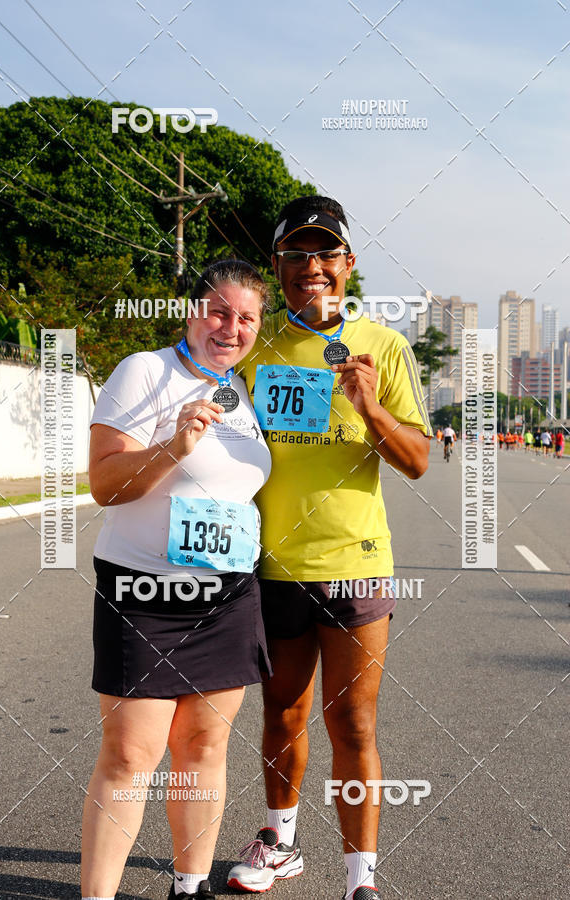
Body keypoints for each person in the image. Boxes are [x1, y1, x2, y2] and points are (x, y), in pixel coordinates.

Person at [227, 196, 431, 900]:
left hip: (356, 563)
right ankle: (280, 842)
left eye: (325, 255)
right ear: (277, 266)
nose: (311, 268)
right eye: (295, 255)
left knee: (352, 720)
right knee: (281, 710)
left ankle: (360, 883)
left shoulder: (385, 347)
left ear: (348, 265)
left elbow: (417, 462)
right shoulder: (254, 347)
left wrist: (370, 407)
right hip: (273, 567)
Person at [81, 260, 272, 900]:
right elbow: (105, 485)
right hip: (145, 591)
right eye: (219, 311)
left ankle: (187, 888)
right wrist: (172, 447)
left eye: (246, 318)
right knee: (133, 757)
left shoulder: (243, 392)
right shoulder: (145, 370)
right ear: (192, 312)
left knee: (203, 750)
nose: (231, 327)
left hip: (228, 597)